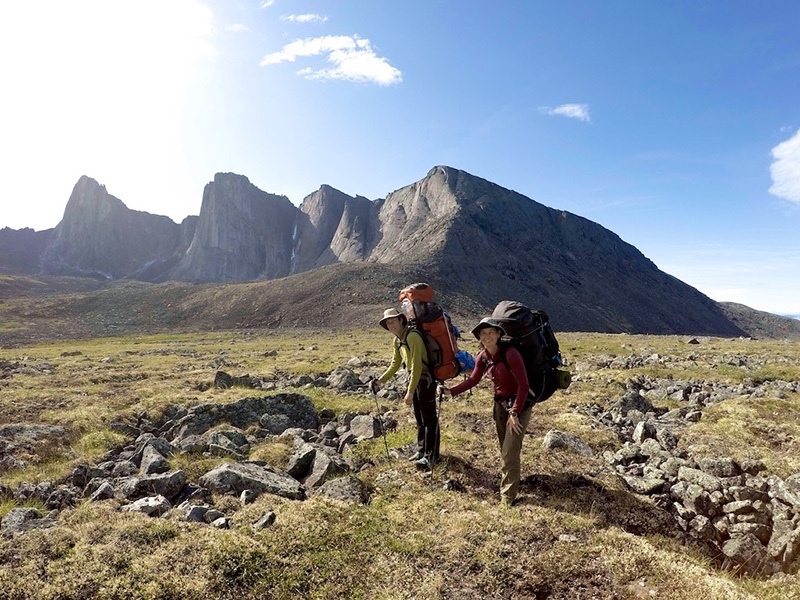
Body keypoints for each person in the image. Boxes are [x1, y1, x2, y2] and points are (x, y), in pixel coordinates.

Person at [443, 317, 532, 506]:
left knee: (509, 452)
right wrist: (451, 391)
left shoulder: (511, 354)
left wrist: (514, 412)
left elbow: (524, 386)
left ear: (499, 334)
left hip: (519, 405)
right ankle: (512, 478)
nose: (487, 336)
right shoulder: (483, 356)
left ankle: (507, 498)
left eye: (491, 332)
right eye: (483, 334)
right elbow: (473, 380)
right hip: (500, 405)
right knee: (505, 448)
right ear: (479, 337)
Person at [372, 308, 439, 469]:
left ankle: (432, 456)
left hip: (424, 381)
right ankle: (422, 450)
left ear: (401, 320)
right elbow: (395, 364)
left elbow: (416, 366)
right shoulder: (397, 340)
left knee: (429, 419)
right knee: (419, 417)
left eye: (393, 321)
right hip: (414, 380)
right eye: (388, 323)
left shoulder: (413, 336)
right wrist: (380, 381)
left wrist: (409, 392)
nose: (391, 325)